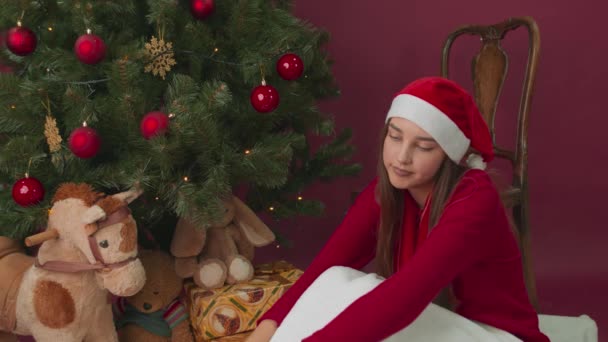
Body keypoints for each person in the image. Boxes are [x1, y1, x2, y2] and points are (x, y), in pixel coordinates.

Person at [246, 77, 549, 341]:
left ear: (449, 154)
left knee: (369, 301)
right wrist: (265, 330)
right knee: (335, 279)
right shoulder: (390, 189)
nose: (402, 157)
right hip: (438, 326)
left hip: (492, 334)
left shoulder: (474, 197)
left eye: (424, 146)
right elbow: (325, 266)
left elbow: (404, 296)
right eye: (395, 136)